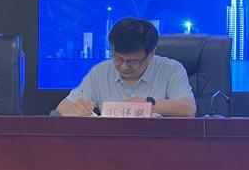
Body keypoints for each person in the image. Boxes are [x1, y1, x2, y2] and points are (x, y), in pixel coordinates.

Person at [56, 18, 197, 117]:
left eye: (133, 61)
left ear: (151, 53)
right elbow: (63, 107)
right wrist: (75, 110)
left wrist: (144, 104)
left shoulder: (171, 69)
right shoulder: (100, 72)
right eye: (118, 58)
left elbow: (188, 109)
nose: (123, 67)